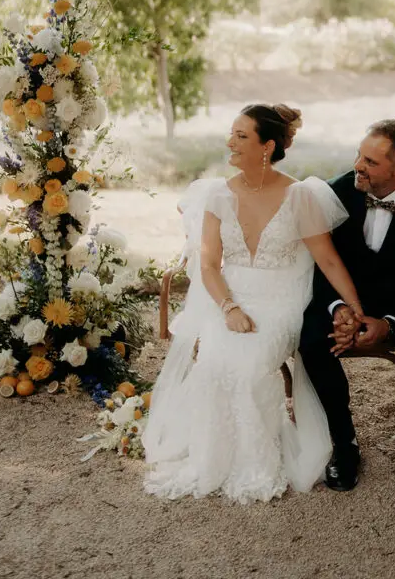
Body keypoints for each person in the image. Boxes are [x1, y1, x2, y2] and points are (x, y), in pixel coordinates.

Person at [143, 103, 363, 504]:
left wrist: (356, 307)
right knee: (211, 365)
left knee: (247, 369)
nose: (230, 142)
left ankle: (256, 461)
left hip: (282, 299)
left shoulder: (301, 196)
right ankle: (213, 456)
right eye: (232, 134)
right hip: (229, 297)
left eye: (241, 136)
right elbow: (209, 265)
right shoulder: (216, 194)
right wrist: (229, 309)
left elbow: (328, 259)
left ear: (268, 146)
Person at [299, 119, 395, 499]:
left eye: (370, 161)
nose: (358, 165)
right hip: (345, 299)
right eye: (358, 155)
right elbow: (318, 266)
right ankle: (344, 443)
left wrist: (389, 323)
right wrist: (339, 310)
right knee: (310, 342)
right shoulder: (334, 192)